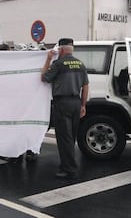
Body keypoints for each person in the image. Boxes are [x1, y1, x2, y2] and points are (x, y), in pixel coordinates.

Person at [41, 38, 89, 179]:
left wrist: (48, 59)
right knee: (71, 137)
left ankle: (69, 169)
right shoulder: (81, 65)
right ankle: (66, 165)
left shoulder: (58, 64)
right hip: (76, 102)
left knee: (64, 138)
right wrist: (83, 105)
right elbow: (85, 86)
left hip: (62, 103)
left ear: (61, 50)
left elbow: (44, 78)